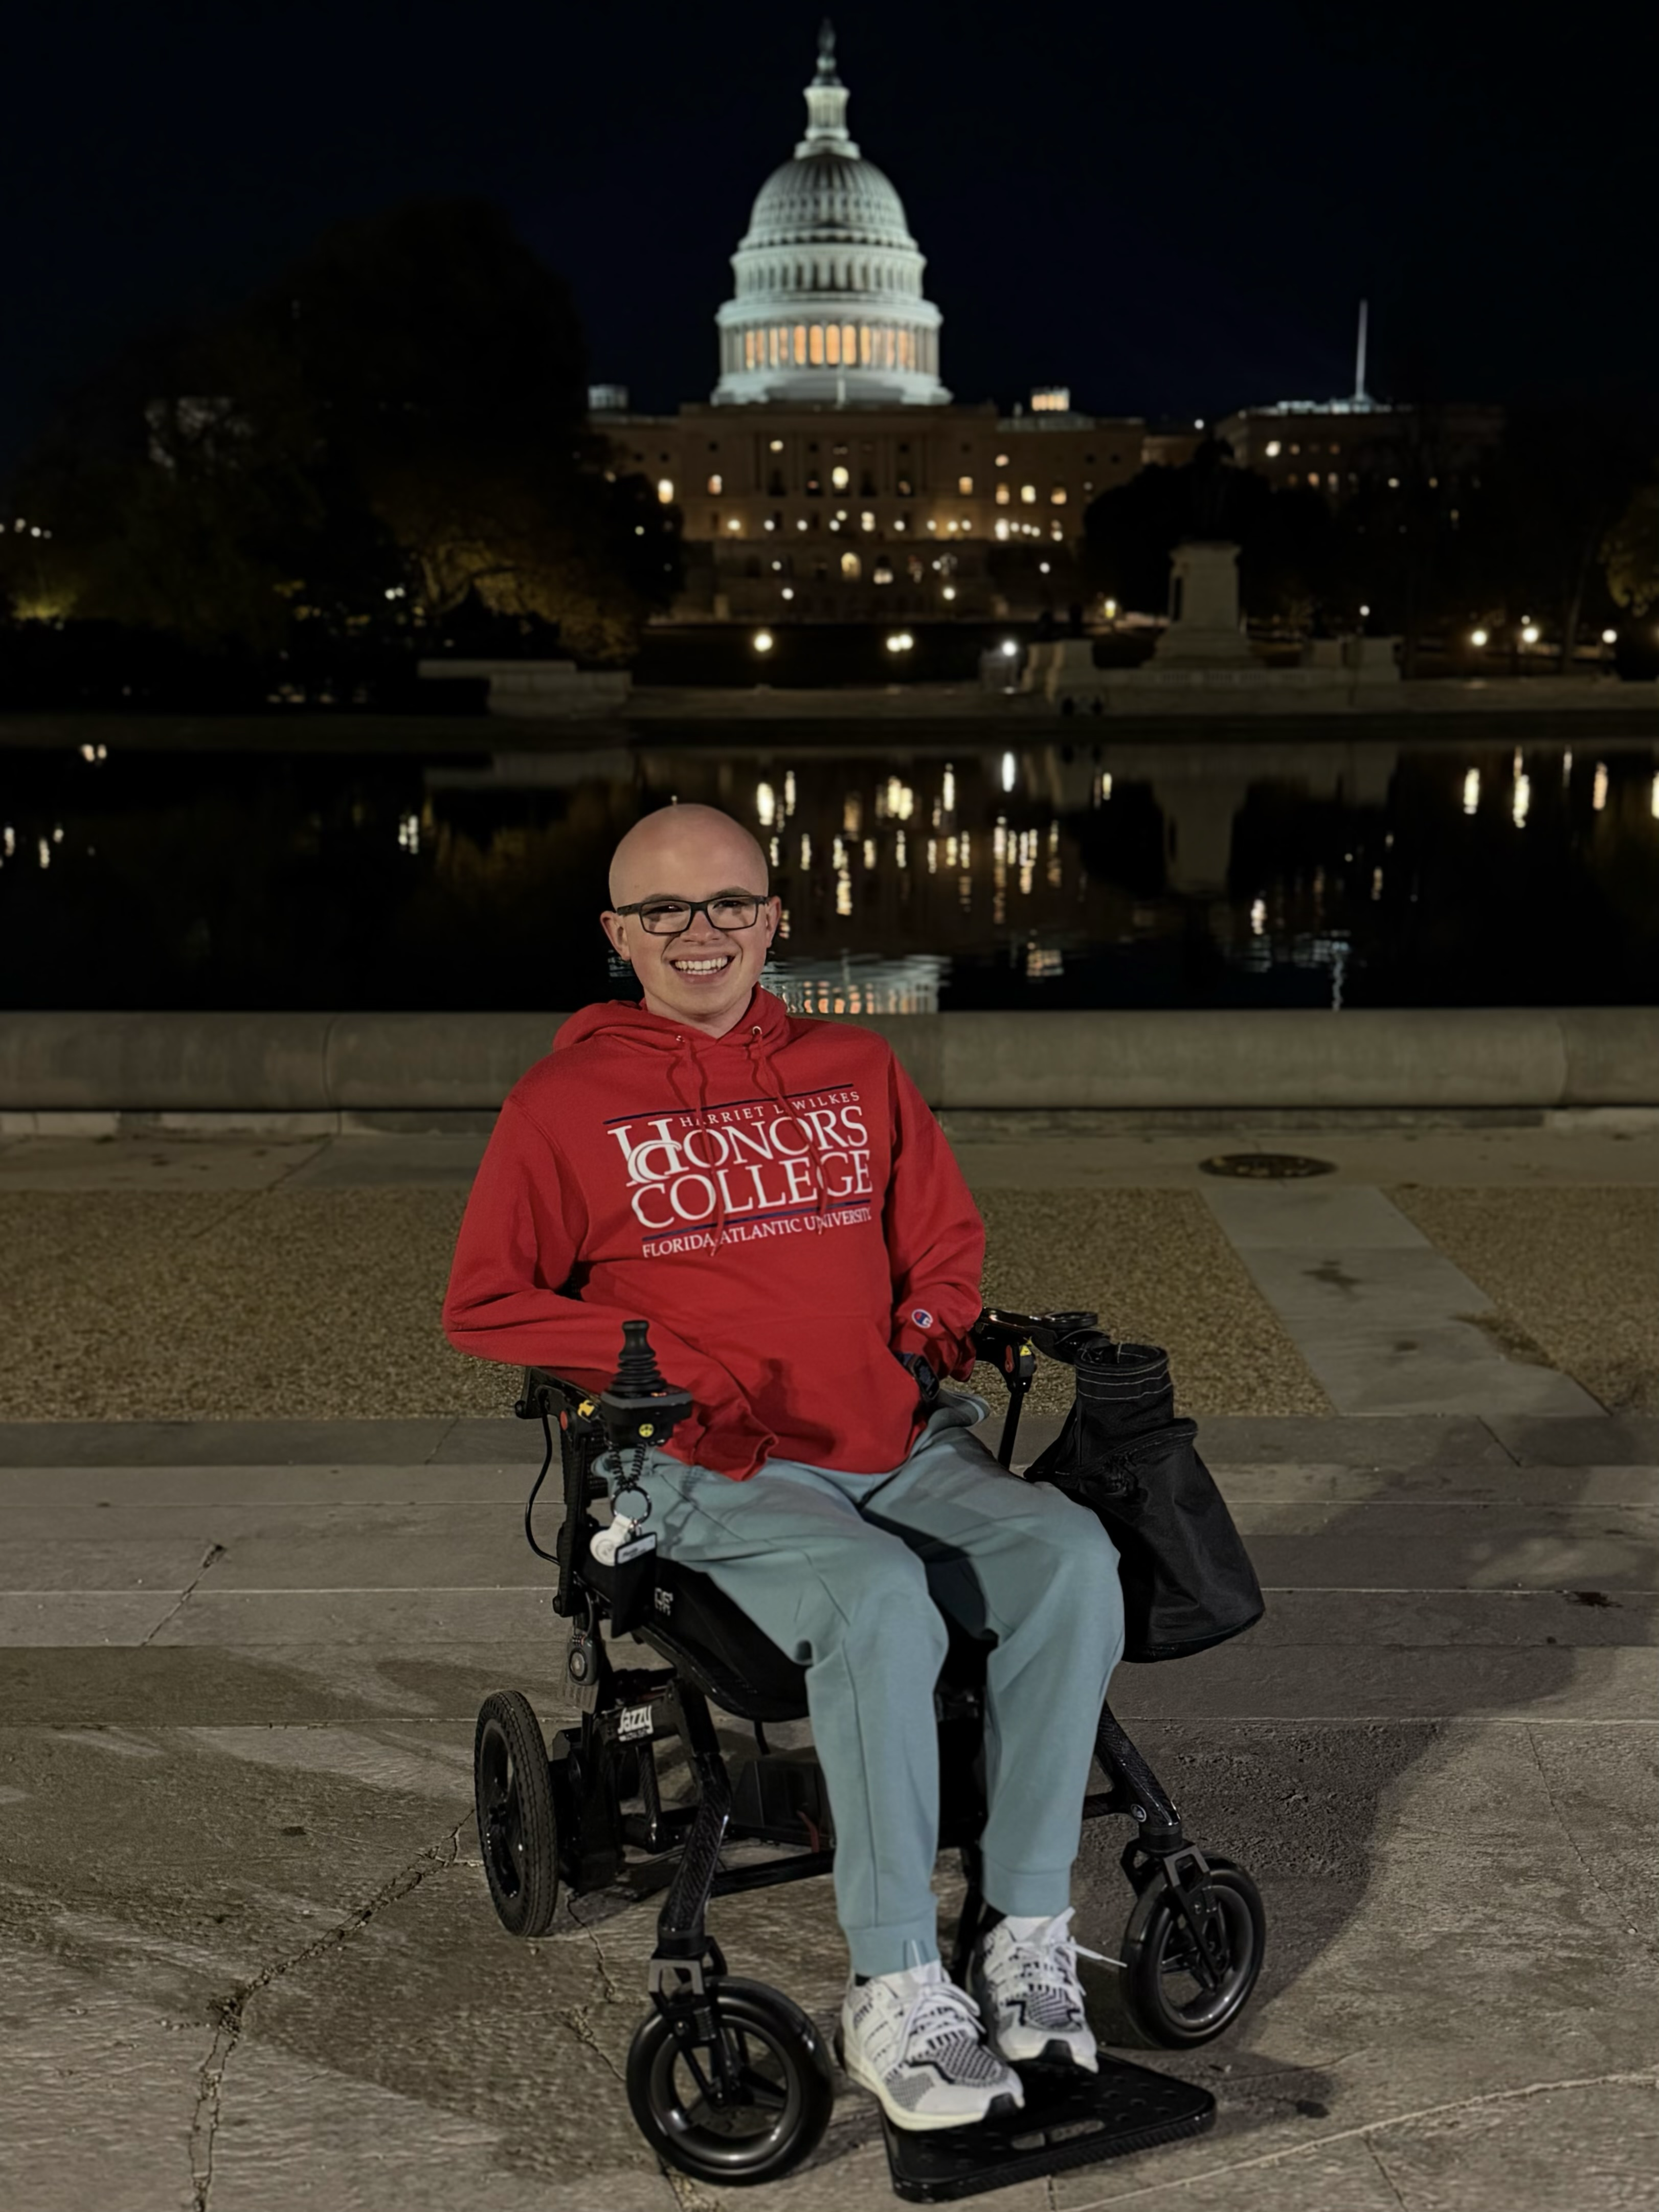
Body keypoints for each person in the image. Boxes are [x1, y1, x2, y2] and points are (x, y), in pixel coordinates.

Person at [443, 801, 1125, 2132]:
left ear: (773, 919)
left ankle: (1025, 1930)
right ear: (618, 933)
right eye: (664, 910)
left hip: (892, 1436)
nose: (698, 932)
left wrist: (925, 1330)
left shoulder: (856, 1065)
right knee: (879, 1600)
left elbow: (943, 1236)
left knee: (1072, 1558)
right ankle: (895, 1985)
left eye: (727, 904)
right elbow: (483, 1300)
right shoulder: (561, 1103)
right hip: (705, 1462)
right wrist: (655, 1356)